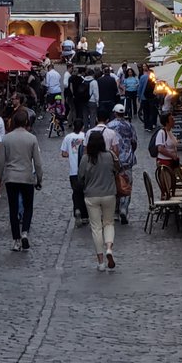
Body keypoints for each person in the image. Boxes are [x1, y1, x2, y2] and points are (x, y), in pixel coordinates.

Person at [0, 108, 44, 251]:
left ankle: (16, 240)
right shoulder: (32, 138)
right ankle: (25, 232)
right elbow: (38, 162)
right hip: (27, 177)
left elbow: (0, 162)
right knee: (28, 207)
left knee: (13, 209)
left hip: (11, 177)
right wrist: (39, 179)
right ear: (27, 122)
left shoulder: (6, 138)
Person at [78, 130, 120, 272]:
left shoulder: (85, 158)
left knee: (96, 228)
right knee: (109, 223)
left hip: (91, 195)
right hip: (109, 193)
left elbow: (80, 177)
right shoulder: (109, 156)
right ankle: (109, 248)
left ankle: (101, 261)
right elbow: (117, 170)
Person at [107, 103, 138, 224]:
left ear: (114, 113)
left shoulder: (109, 126)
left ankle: (115, 210)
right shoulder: (130, 126)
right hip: (127, 160)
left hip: (113, 160)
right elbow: (134, 142)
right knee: (126, 184)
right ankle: (124, 208)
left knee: (114, 184)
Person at [60, 117, 88, 225]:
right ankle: (85, 215)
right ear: (82, 127)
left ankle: (77, 209)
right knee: (85, 192)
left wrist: (72, 154)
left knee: (76, 192)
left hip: (73, 171)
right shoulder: (85, 136)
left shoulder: (68, 137)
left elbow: (63, 153)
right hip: (84, 169)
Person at [141, 67, 158, 131]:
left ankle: (147, 126)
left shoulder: (152, 80)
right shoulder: (152, 80)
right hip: (150, 98)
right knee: (149, 112)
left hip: (148, 98)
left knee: (148, 113)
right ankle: (148, 126)